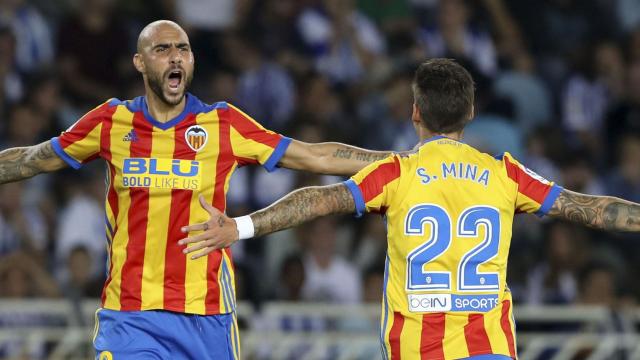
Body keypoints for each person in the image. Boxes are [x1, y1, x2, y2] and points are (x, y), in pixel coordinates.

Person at [184, 58, 640, 359]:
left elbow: (320, 198)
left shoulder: (397, 172)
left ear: (415, 112)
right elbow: (592, 209)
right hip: (491, 350)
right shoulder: (506, 173)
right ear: (471, 112)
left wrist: (240, 227)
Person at [0, 20, 390, 359]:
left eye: (183, 49)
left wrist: (400, 159)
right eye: (162, 48)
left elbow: (314, 157)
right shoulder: (110, 122)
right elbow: (34, 158)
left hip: (207, 317)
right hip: (130, 315)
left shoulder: (222, 123)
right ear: (140, 62)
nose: (175, 57)